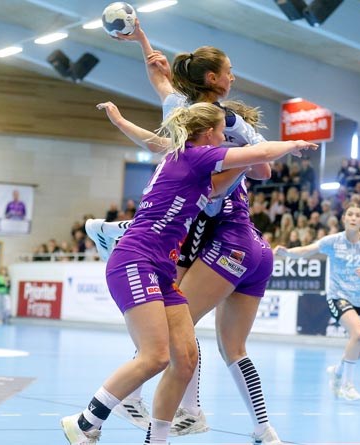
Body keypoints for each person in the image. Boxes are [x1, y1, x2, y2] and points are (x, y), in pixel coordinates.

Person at [87, 21, 295, 443]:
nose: (235, 76)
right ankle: (264, 429)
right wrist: (142, 40)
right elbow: (164, 88)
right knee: (226, 345)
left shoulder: (196, 129)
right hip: (249, 241)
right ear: (214, 79)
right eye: (229, 71)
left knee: (173, 325)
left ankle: (178, 410)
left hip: (221, 235)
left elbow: (163, 98)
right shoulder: (209, 125)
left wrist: (142, 43)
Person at [62, 101, 315, 445]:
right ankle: (85, 422)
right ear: (209, 133)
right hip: (137, 260)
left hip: (162, 267)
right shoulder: (198, 156)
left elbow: (226, 175)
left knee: (184, 360)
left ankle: (157, 439)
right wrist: (292, 143)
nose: (224, 138)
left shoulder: (188, 161)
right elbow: (261, 154)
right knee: (156, 356)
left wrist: (121, 121)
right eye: (221, 132)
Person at [274, 203, 360, 401]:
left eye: (358, 215)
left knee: (358, 352)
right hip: (338, 296)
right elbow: (307, 250)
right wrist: (287, 252)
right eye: (350, 214)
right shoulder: (333, 241)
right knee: (358, 334)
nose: (353, 218)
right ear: (344, 219)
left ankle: (337, 371)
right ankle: (347, 385)